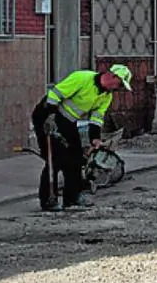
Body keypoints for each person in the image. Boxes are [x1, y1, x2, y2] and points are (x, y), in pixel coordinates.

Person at [32, 65, 132, 211]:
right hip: (47, 115)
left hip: (67, 121)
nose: (119, 88)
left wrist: (95, 139)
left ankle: (72, 198)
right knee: (55, 158)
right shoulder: (82, 78)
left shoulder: (106, 96)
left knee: (76, 157)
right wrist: (51, 117)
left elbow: (96, 118)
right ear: (112, 76)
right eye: (120, 84)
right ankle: (48, 200)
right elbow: (54, 95)